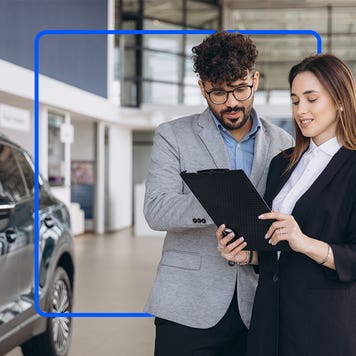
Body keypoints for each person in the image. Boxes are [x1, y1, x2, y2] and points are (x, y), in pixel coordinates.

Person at [143, 31, 293, 356]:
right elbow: (156, 209)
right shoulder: (173, 136)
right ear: (202, 88)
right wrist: (220, 203)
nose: (232, 103)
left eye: (240, 89)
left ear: (255, 79)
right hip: (186, 306)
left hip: (256, 307)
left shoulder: (283, 143)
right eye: (218, 93)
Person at [216, 53, 356, 356]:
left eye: (311, 99)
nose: (301, 111)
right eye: (295, 101)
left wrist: (303, 242)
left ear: (340, 100)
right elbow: (277, 249)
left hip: (322, 324)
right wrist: (248, 254)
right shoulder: (283, 163)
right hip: (270, 317)